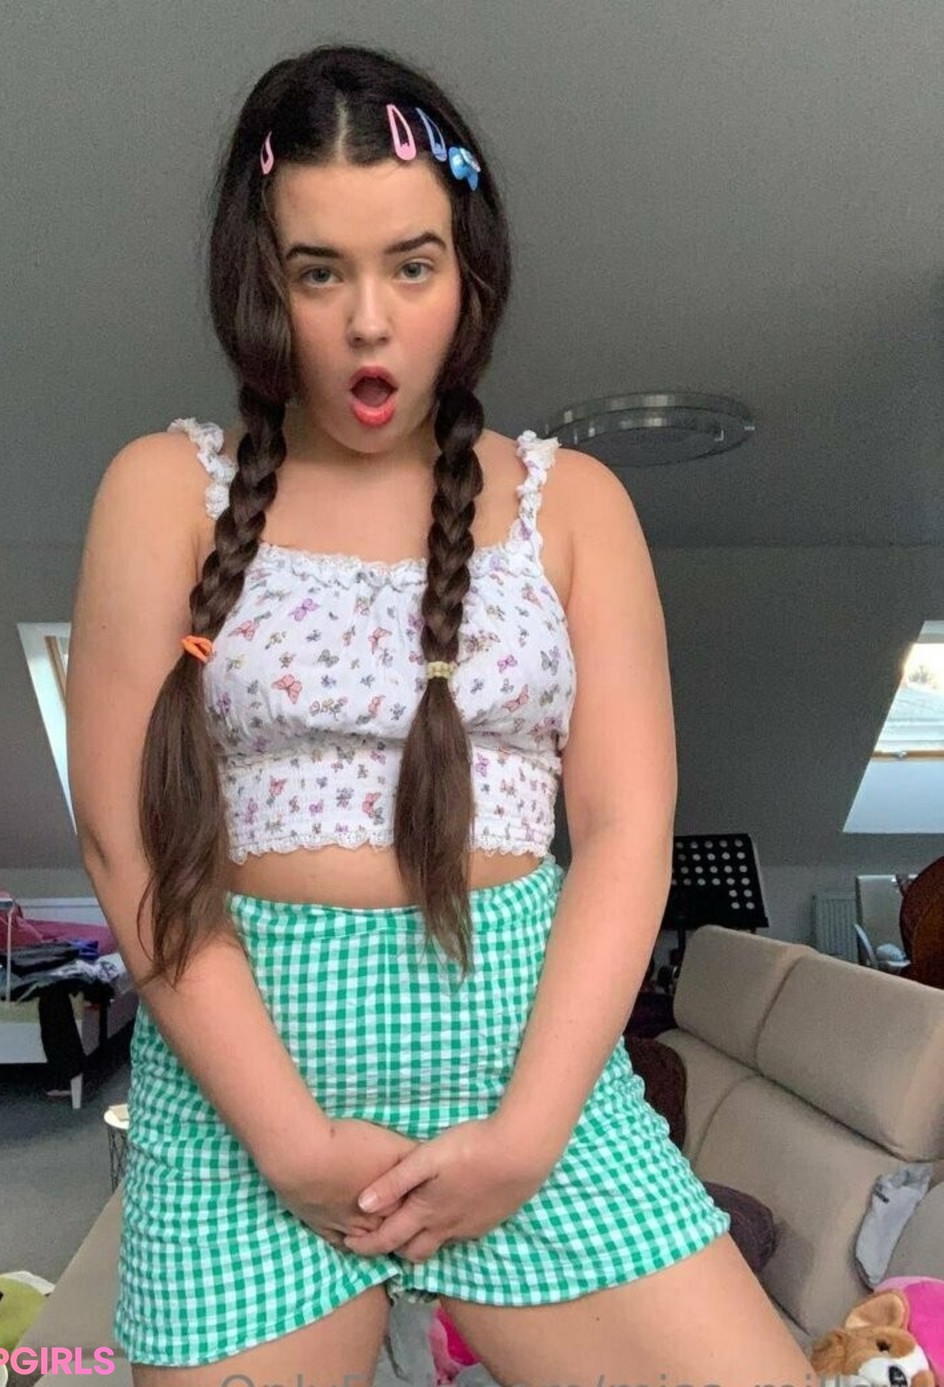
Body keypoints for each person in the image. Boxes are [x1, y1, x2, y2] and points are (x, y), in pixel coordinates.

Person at [66, 40, 821, 1387]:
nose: (369, 323)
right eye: (319, 273)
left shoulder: (576, 507)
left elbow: (626, 831)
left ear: (467, 271)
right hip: (247, 1114)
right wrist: (291, 1142)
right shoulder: (160, 492)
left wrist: (528, 1137)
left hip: (533, 1093)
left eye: (410, 266)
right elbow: (128, 840)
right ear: (261, 282)